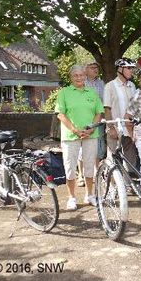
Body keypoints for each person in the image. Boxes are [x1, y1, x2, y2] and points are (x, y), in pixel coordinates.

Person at [55, 65, 104, 210]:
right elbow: (60, 114)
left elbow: (98, 112)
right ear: (71, 77)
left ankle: (90, 195)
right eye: (75, 75)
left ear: (85, 76)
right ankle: (72, 197)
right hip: (70, 135)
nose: (79, 78)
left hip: (90, 135)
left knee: (89, 165)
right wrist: (75, 130)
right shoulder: (64, 92)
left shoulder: (92, 92)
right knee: (70, 167)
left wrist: (90, 128)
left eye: (81, 75)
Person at [103, 58, 137, 160]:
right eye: (129, 68)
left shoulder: (132, 85)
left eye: (132, 68)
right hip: (116, 128)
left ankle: (128, 176)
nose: (131, 71)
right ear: (120, 69)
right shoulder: (110, 86)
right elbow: (107, 109)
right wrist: (111, 128)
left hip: (130, 128)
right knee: (113, 160)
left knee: (130, 161)